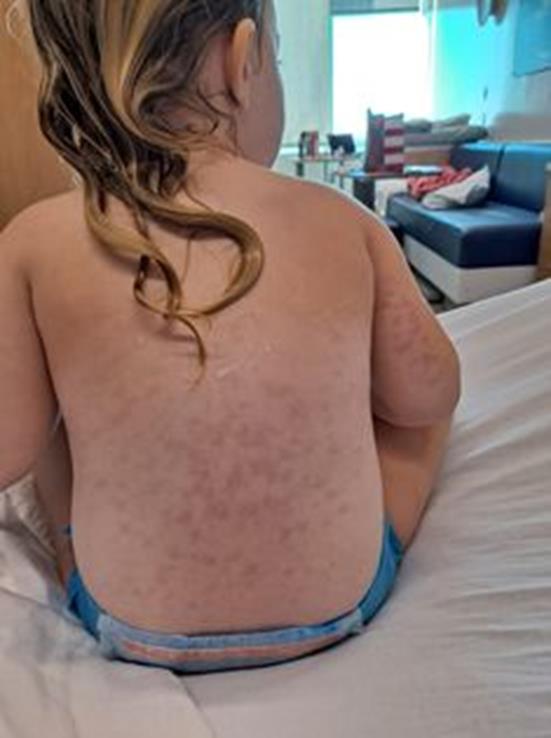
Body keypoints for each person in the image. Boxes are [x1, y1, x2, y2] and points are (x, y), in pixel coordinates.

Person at [0, 0, 460, 673]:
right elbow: (427, 395)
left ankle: (78, 546)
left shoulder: (34, 240)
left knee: (51, 431)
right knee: (426, 421)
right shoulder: (344, 219)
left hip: (132, 624)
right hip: (335, 607)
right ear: (242, 60)